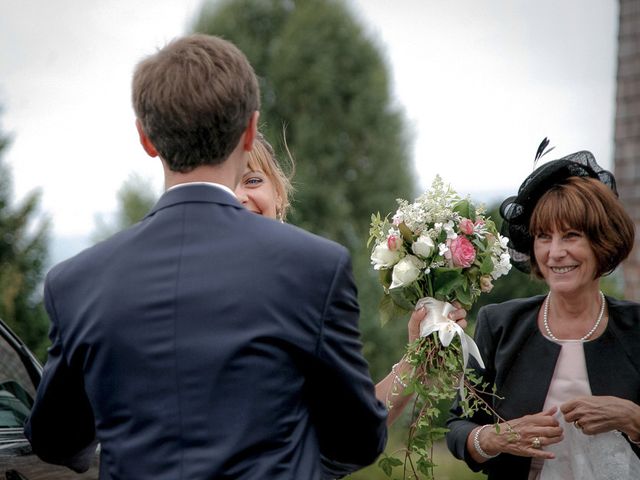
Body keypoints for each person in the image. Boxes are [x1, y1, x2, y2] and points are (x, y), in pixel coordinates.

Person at [24, 34, 389, 479]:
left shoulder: (75, 282)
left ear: (146, 138)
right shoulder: (315, 267)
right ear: (251, 129)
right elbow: (357, 439)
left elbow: (55, 440)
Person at [235, 132, 469, 426]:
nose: (238, 196)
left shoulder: (313, 292)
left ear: (278, 193)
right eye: (224, 188)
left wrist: (418, 357)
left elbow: (352, 425)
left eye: (252, 180)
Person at [446, 147, 640, 480]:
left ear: (602, 242)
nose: (555, 252)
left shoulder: (636, 328)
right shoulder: (499, 324)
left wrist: (633, 418)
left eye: (571, 235)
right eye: (543, 237)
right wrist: (496, 437)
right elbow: (458, 428)